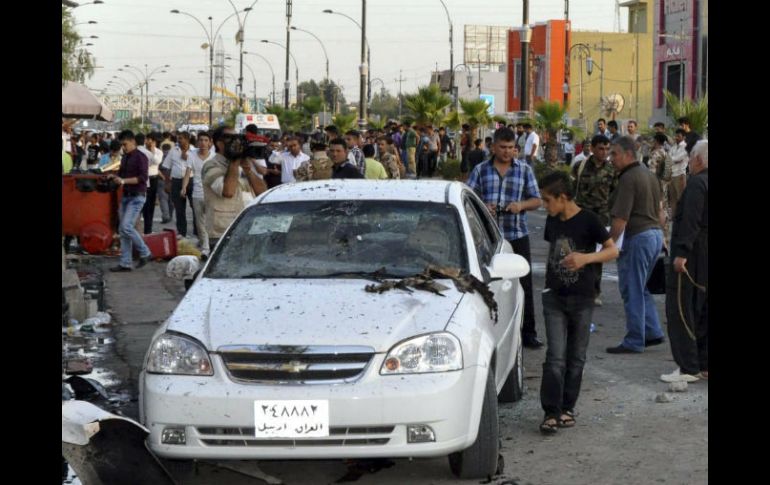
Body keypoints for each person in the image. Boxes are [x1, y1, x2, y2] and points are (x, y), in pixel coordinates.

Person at [537, 171, 619, 434]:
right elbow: (554, 251)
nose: (544, 205)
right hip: (554, 296)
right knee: (554, 357)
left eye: (548, 200)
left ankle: (567, 407)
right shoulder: (552, 221)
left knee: (576, 357)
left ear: (563, 197)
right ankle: (551, 411)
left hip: (582, 298)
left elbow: (612, 250)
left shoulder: (589, 220)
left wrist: (585, 259)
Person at [466, 127, 544, 349]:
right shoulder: (481, 170)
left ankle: (528, 332)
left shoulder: (525, 170)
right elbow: (469, 198)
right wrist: (483, 207)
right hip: (488, 240)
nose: (507, 152)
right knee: (486, 283)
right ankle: (491, 331)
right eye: (503, 147)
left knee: (524, 285)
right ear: (493, 147)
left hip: (517, 235)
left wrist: (521, 205)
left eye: (511, 148)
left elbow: (537, 200)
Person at [606, 136, 666, 353]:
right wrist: (663, 238)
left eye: (615, 154)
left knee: (632, 289)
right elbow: (661, 213)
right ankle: (652, 331)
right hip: (654, 235)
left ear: (628, 154)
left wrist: (608, 245)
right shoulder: (649, 175)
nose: (611, 158)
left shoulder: (628, 178)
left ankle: (634, 340)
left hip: (638, 237)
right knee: (641, 287)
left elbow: (620, 219)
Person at [661, 140, 708, 383]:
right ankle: (703, 363)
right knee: (702, 310)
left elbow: (691, 220)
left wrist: (681, 254)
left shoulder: (698, 184)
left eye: (691, 158)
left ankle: (688, 367)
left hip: (693, 254)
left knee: (682, 309)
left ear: (698, 160)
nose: (688, 162)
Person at [201, 127, 268, 250]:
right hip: (224, 231)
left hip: (248, 227)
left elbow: (262, 192)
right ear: (219, 143)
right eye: (230, 139)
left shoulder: (242, 164)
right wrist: (235, 161)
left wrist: (248, 169)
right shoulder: (211, 165)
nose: (236, 142)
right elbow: (228, 191)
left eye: (238, 138)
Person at [572, 135, 616, 306]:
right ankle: (577, 289)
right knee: (579, 252)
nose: (604, 152)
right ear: (592, 149)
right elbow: (571, 188)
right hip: (582, 215)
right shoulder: (580, 166)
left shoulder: (612, 170)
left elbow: (615, 192)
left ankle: (594, 291)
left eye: (607, 149)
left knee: (597, 257)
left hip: (601, 218)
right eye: (601, 149)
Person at [107, 130, 153, 272]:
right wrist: (112, 176)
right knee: (123, 230)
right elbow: (121, 175)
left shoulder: (141, 157)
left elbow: (142, 178)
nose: (123, 147)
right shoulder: (125, 157)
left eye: (125, 144)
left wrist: (123, 180)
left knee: (126, 227)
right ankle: (125, 263)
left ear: (133, 141)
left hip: (137, 196)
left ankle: (145, 252)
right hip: (126, 196)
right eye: (122, 145)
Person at [182, 131, 216, 257]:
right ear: (197, 142)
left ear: (210, 143)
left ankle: (213, 246)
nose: (203, 143)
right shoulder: (192, 155)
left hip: (212, 194)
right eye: (201, 140)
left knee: (211, 222)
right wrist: (184, 187)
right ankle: (205, 248)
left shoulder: (214, 156)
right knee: (199, 223)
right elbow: (188, 172)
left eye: (206, 140)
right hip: (196, 194)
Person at [161, 132, 196, 238]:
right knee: (179, 209)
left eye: (180, 138)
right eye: (178, 138)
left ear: (187, 139)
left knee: (195, 208)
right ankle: (182, 232)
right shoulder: (173, 151)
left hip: (191, 181)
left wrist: (188, 158)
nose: (178, 141)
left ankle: (197, 232)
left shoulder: (194, 151)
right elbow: (167, 167)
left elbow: (198, 167)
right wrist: (167, 183)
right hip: (176, 182)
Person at [141, 132, 164, 235]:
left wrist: (152, 151)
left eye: (151, 140)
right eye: (148, 139)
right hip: (143, 178)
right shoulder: (141, 150)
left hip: (153, 179)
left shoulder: (159, 152)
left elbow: (155, 162)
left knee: (150, 205)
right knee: (141, 203)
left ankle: (148, 229)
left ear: (155, 142)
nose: (149, 142)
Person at [668, 129, 689, 218]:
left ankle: (683, 216)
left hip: (680, 174)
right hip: (672, 174)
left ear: (684, 137)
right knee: (672, 197)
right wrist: (673, 159)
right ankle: (674, 216)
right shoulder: (673, 147)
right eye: (676, 136)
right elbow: (668, 158)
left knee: (681, 197)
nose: (676, 138)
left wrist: (673, 159)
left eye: (678, 136)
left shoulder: (685, 146)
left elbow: (678, 158)